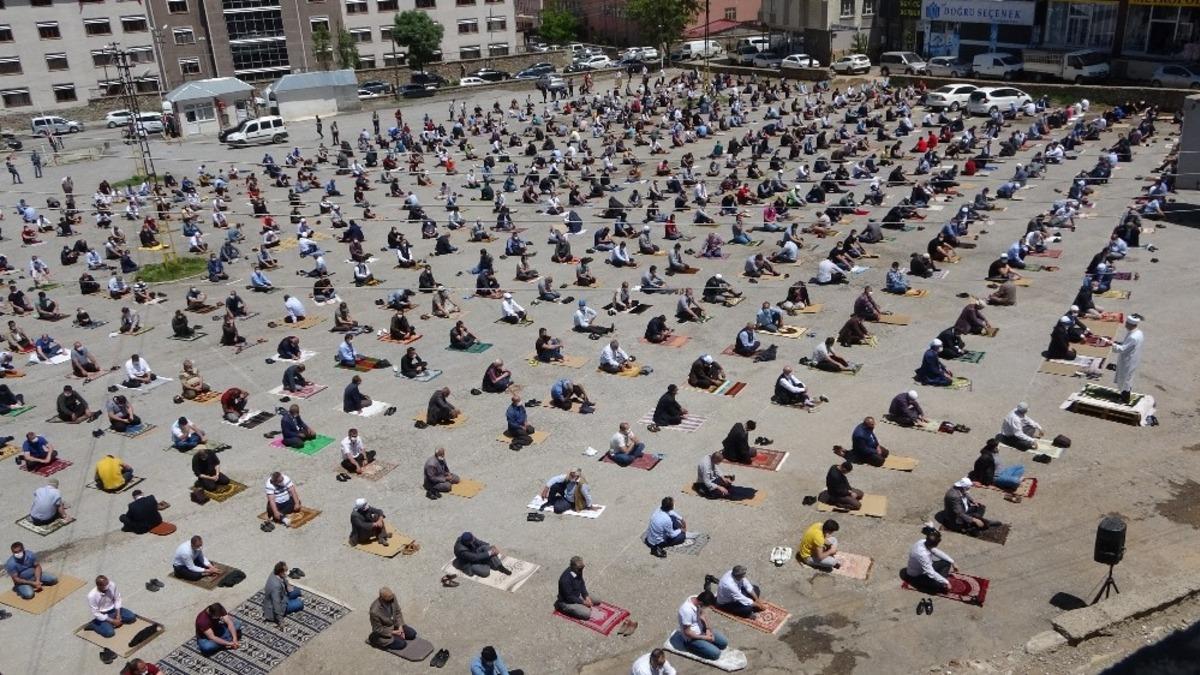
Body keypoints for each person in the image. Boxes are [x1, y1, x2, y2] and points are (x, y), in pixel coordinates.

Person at [676, 591, 728, 660]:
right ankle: (691, 647)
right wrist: (705, 638)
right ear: (701, 603)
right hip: (692, 638)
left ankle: (705, 644)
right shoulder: (686, 611)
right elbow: (687, 632)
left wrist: (708, 629)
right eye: (706, 606)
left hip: (702, 630)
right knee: (716, 654)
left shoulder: (697, 599)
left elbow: (702, 615)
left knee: (723, 643)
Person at [905, 527, 956, 593]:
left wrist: (952, 562)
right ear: (936, 544)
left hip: (924, 569)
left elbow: (936, 552)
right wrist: (946, 582)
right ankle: (938, 584)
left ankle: (941, 581)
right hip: (916, 576)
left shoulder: (923, 542)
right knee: (938, 585)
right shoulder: (922, 554)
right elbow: (930, 572)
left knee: (947, 562)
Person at [1110, 314, 1144, 403]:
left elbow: (1121, 349)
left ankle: (1125, 398)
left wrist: (1111, 344)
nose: (1125, 324)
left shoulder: (1133, 336)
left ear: (1131, 324)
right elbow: (1127, 344)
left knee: (1125, 379)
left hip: (1128, 360)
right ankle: (1123, 394)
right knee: (1128, 378)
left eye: (1127, 323)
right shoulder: (1138, 333)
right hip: (1133, 359)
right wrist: (1118, 343)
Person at [262, 560, 304, 625]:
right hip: (277, 607)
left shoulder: (275, 572)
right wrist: (280, 620)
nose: (287, 573)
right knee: (300, 603)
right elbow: (276, 604)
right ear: (281, 572)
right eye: (285, 571)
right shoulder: (275, 587)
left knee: (297, 591)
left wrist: (287, 585)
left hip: (282, 595)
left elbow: (284, 578)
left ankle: (291, 599)